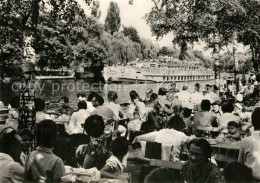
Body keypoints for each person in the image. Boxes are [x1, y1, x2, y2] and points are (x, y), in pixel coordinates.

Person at [238, 107, 260, 181]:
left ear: (252, 123)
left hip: (252, 178)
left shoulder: (245, 141)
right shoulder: (246, 141)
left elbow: (240, 164)